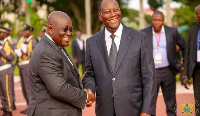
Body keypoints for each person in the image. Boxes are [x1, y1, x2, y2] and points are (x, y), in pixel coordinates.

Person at [83, 0, 157, 116]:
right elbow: (89, 74)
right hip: (104, 110)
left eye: (116, 10)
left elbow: (149, 77)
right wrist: (89, 89)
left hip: (134, 109)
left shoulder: (140, 38)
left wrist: (147, 109)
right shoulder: (91, 42)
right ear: (99, 16)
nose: (113, 14)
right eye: (107, 12)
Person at [27, 11, 95, 116]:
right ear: (50, 29)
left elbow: (67, 76)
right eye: (65, 29)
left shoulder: (56, 46)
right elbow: (59, 88)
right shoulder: (46, 52)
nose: (69, 33)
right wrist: (85, 96)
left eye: (71, 29)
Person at [141, 11, 186, 116]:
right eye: (154, 20)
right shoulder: (143, 33)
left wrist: (183, 64)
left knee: (171, 104)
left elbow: (184, 46)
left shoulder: (172, 32)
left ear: (163, 20)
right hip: (152, 73)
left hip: (168, 71)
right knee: (150, 104)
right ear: (152, 20)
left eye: (159, 20)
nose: (157, 23)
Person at [14, 24, 37, 114]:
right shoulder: (23, 40)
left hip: (28, 65)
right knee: (24, 87)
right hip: (21, 65)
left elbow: (35, 54)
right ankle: (29, 105)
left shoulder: (33, 41)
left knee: (28, 87)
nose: (23, 32)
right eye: (23, 30)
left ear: (30, 31)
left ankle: (31, 107)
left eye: (25, 31)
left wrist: (25, 51)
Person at [183, 4, 200, 116]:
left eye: (197, 13)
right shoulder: (193, 30)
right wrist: (185, 74)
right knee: (198, 101)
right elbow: (188, 53)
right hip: (197, 71)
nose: (195, 16)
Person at [0, 25, 15, 116]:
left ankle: (9, 111)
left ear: (5, 34)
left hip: (6, 69)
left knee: (7, 92)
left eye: (0, 33)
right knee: (2, 92)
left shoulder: (8, 43)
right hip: (1, 69)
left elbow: (11, 57)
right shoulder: (2, 43)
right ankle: (5, 108)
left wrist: (1, 51)